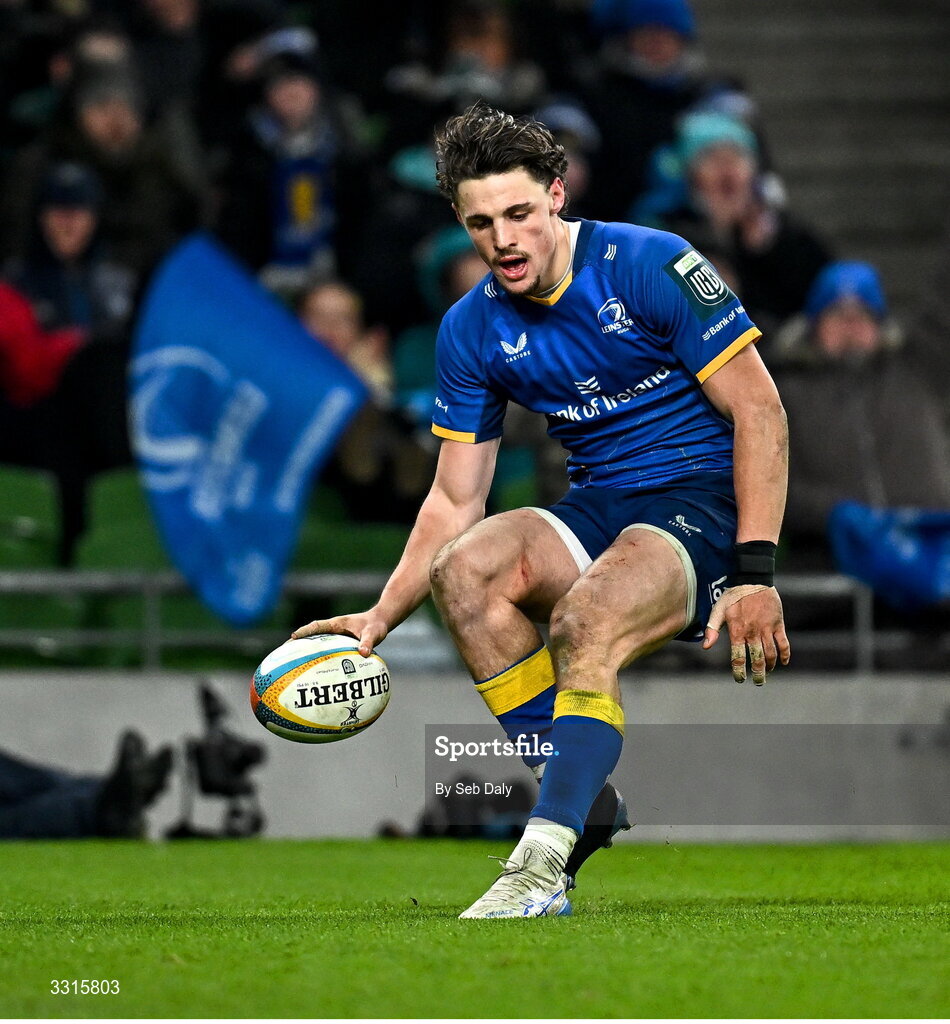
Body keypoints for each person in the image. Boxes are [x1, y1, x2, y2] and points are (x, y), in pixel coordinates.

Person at [292, 103, 790, 919]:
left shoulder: (651, 263)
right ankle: (587, 803)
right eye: (481, 222)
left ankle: (542, 862)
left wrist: (756, 570)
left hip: (701, 505)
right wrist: (380, 617)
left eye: (520, 213)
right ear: (461, 223)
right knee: (467, 571)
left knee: (587, 619)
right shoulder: (470, 330)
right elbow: (455, 497)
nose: (503, 239)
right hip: (599, 502)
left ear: (557, 195)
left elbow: (762, 414)